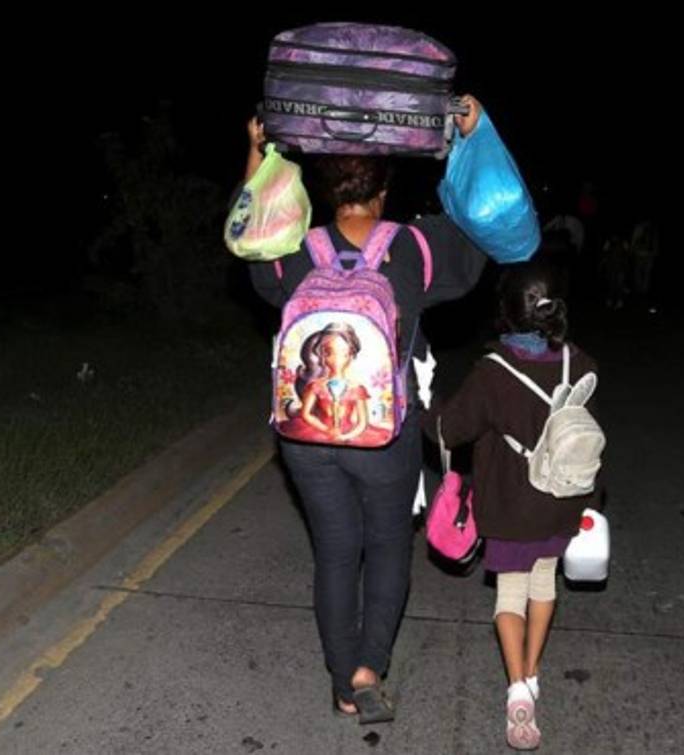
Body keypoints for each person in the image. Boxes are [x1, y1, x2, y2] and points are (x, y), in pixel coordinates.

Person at [238, 95, 491, 723]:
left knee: (333, 550)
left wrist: (257, 151)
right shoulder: (418, 246)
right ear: (385, 189)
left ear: (323, 191)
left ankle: (340, 682)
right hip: (385, 432)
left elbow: (246, 233)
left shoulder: (290, 245)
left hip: (305, 432)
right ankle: (368, 667)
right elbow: (485, 232)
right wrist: (470, 139)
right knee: (385, 548)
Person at [424, 261, 603, 750]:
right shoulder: (580, 364)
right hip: (561, 500)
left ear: (505, 313)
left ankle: (518, 688)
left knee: (510, 595)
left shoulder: (493, 372)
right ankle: (533, 673)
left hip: (509, 504)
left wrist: (425, 402)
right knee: (545, 583)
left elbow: (450, 430)